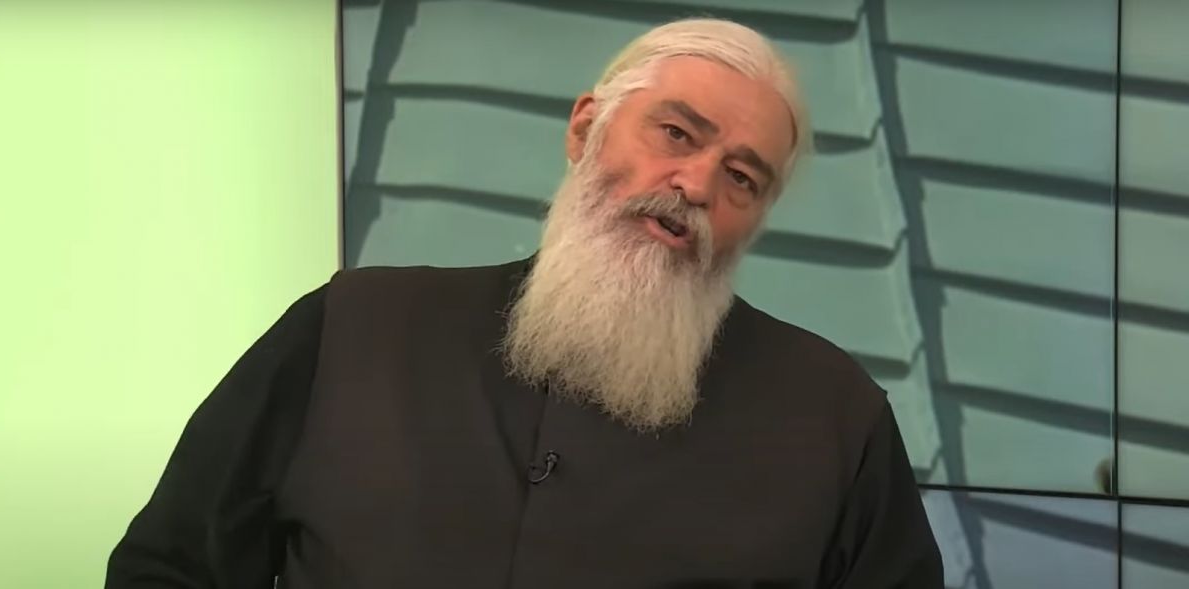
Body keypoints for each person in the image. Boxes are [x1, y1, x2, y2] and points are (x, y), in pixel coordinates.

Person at [107, 18, 943, 589]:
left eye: (742, 177)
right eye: (676, 133)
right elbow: (170, 568)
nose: (695, 184)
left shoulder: (835, 420)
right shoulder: (350, 328)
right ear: (585, 130)